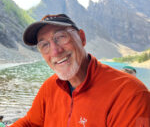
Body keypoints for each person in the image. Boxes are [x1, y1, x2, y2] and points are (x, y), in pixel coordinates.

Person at [10, 14, 150, 127]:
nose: (55, 51)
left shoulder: (131, 94)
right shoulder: (50, 87)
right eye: (44, 45)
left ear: (82, 38)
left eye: (61, 37)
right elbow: (30, 123)